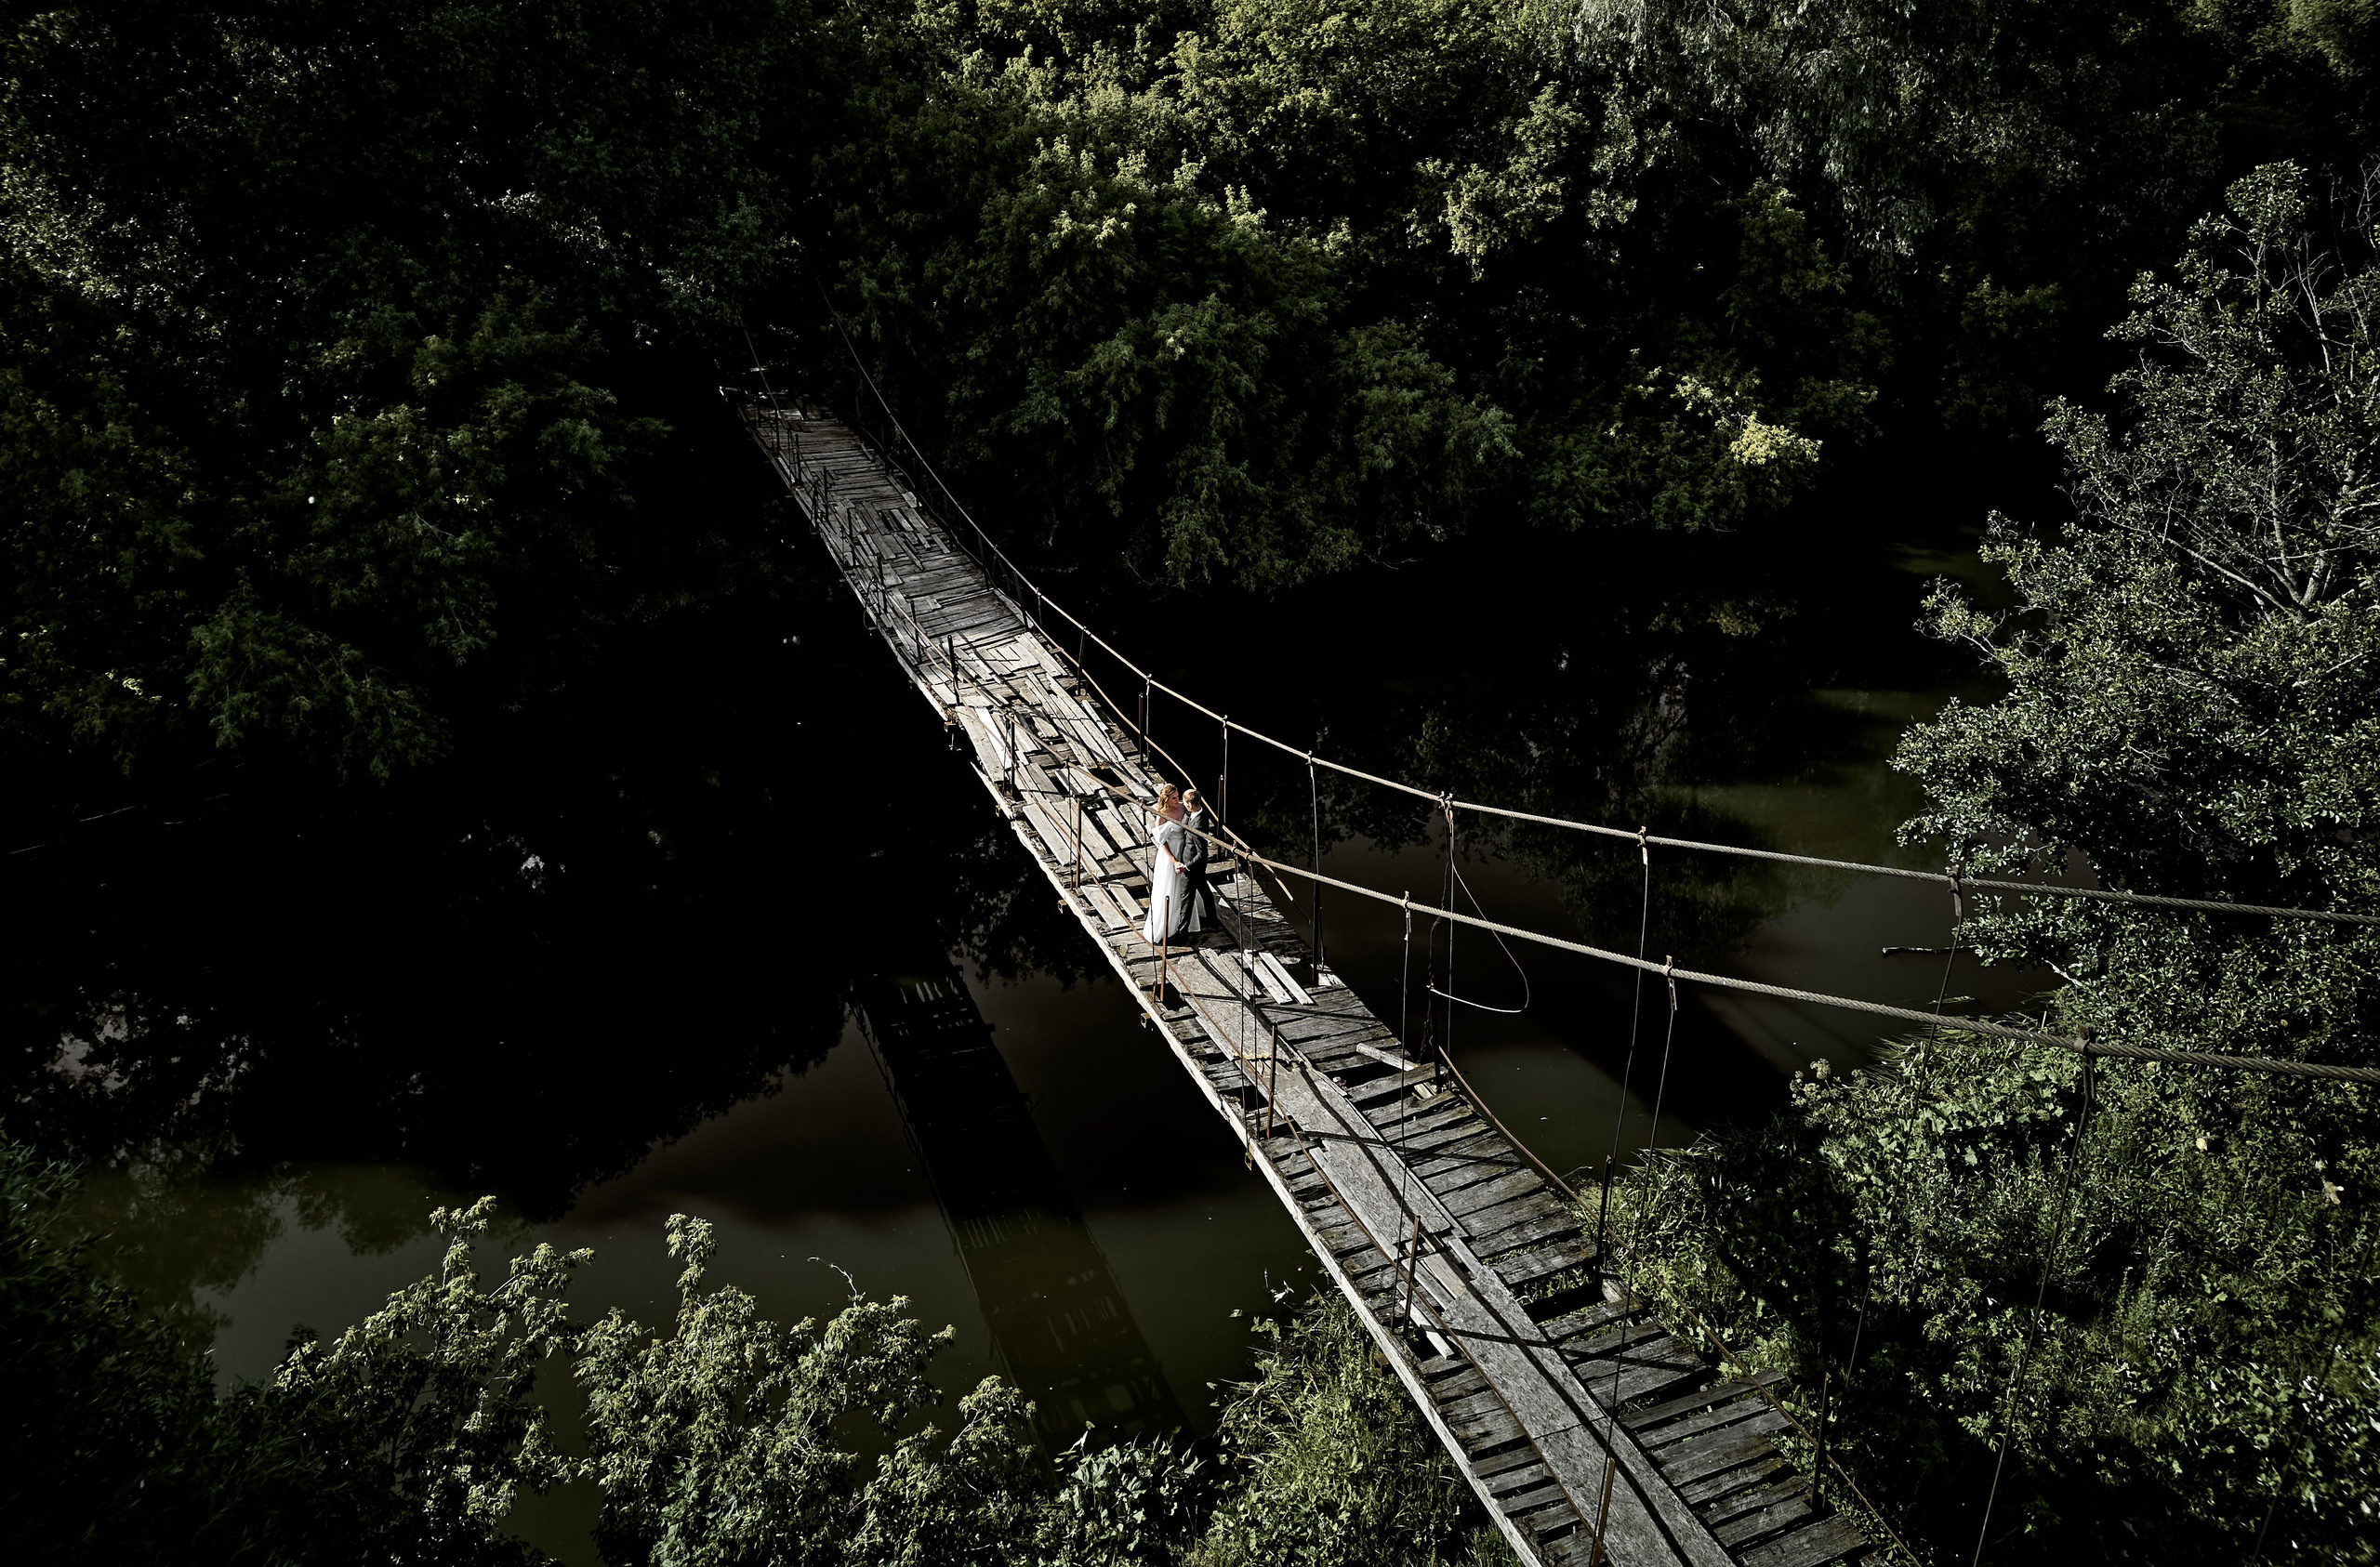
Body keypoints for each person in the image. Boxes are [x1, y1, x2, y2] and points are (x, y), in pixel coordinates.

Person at [1142, 784, 1202, 945]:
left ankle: (1187, 920)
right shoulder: (1161, 815)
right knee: (1169, 887)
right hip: (1170, 854)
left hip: (1185, 849)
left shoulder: (1183, 808)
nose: (1178, 800)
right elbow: (1162, 843)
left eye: (1178, 797)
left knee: (1185, 886)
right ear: (1166, 799)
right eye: (1174, 798)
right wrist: (1174, 861)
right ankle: (1169, 925)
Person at [1180, 787, 1217, 932]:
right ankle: (1213, 921)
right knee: (1205, 893)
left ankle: (1182, 932)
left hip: (1193, 867)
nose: (1183, 805)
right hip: (1198, 868)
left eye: (1184, 803)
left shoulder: (1199, 825)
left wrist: (1186, 866)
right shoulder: (1197, 814)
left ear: (1189, 804)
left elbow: (1202, 853)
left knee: (1186, 899)